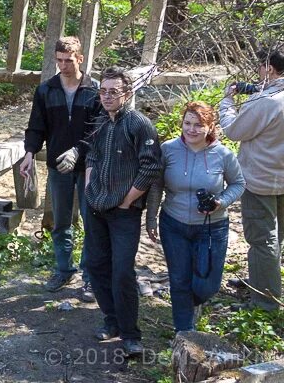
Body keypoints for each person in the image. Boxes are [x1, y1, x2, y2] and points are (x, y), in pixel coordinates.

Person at [84, 67, 163, 356]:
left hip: (124, 213)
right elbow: (92, 153)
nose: (106, 96)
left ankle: (131, 334)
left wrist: (128, 201)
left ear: (127, 93)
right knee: (95, 265)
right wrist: (90, 186)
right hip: (96, 207)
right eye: (103, 91)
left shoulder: (139, 124)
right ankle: (112, 321)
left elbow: (151, 167)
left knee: (122, 273)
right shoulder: (102, 121)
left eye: (113, 91)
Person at [146, 102, 244, 332]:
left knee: (206, 285)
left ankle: (190, 305)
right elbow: (156, 186)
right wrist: (151, 218)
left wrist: (221, 202)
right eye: (187, 123)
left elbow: (239, 184)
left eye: (198, 125)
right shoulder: (168, 149)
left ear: (210, 127)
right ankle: (184, 334)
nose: (191, 129)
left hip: (212, 228)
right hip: (174, 224)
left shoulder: (223, 154)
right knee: (179, 281)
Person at [18, 37, 102, 296]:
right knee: (60, 220)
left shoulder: (95, 90)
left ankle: (90, 276)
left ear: (80, 59)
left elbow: (100, 130)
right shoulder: (46, 90)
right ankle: (64, 270)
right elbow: (36, 126)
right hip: (58, 165)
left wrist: (80, 150)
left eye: (68, 60)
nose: (63, 65)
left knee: (92, 222)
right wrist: (30, 152)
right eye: (59, 60)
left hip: (89, 166)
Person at [218, 46, 284, 310]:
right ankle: (261, 281)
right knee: (274, 238)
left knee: (262, 240)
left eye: (260, 67)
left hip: (261, 181)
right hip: (279, 179)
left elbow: (233, 130)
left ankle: (264, 304)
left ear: (268, 68)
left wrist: (226, 101)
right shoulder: (271, 96)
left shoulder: (265, 102)